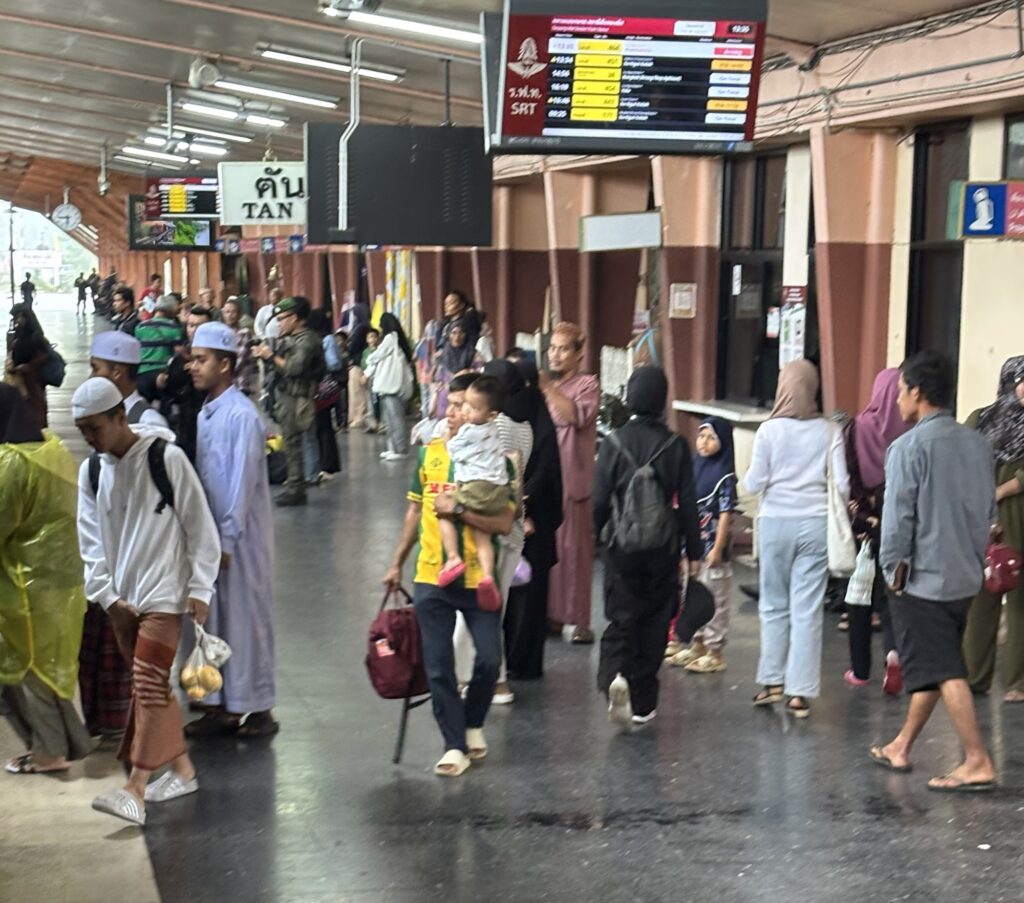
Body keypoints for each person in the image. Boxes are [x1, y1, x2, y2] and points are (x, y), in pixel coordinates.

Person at [72, 377, 220, 826]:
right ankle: (183, 771)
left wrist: (200, 588)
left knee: (149, 683)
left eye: (95, 428)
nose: (89, 439)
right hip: (122, 601)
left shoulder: (166, 459)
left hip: (165, 597)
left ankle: (135, 786)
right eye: (83, 431)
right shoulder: (92, 471)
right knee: (149, 688)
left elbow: (200, 525)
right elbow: (89, 539)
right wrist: (108, 598)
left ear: (120, 417)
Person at [871, 351, 998, 792]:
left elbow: (897, 520)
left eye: (901, 390)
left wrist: (890, 570)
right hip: (965, 574)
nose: (898, 399)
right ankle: (901, 745)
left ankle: (978, 759)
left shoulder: (907, 448)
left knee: (945, 668)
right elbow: (988, 512)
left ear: (918, 393)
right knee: (935, 660)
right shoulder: (978, 443)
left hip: (923, 578)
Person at [383, 377, 515, 777]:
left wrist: (458, 513)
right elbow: (413, 512)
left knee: (489, 662)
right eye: (452, 405)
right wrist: (396, 562)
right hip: (432, 576)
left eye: (464, 406)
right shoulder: (429, 456)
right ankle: (454, 743)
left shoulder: (498, 460)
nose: (456, 413)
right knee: (438, 665)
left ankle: (473, 721)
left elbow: (506, 522)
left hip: (480, 581)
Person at [593, 367, 702, 729]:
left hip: (621, 547)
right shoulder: (677, 445)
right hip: (663, 547)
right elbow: (688, 502)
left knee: (622, 615)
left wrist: (601, 536)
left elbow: (598, 501)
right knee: (656, 620)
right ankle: (642, 702)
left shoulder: (612, 443)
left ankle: (614, 677)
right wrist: (695, 553)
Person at [743, 360, 849, 719]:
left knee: (773, 604)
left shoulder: (768, 431)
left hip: (775, 524)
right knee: (807, 609)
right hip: (816, 524)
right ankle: (799, 694)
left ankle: (771, 683)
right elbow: (844, 484)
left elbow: (754, 484)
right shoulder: (830, 430)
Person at [186, 323, 278, 738]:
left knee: (246, 619)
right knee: (214, 622)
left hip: (240, 539)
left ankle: (258, 708)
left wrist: (224, 541)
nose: (193, 367)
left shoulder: (241, 416)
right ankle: (217, 704)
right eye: (193, 358)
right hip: (213, 537)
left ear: (226, 364)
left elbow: (239, 488)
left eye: (202, 360)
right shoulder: (208, 410)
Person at [1, 385, 92, 775]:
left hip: (25, 584)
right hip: (61, 581)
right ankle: (62, 744)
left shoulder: (11, 463)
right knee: (46, 674)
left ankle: (49, 753)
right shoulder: (51, 447)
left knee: (27, 674)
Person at [842, 368, 910, 690]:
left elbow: (849, 475)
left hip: (864, 519)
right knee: (892, 591)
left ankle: (860, 670)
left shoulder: (856, 427)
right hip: (900, 519)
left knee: (860, 592)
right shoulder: (911, 427)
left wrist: (859, 510)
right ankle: (894, 653)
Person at [963, 355, 1024, 703]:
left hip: (1018, 515)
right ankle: (974, 676)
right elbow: (963, 464)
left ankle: (1017, 682)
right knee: (981, 596)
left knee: (1019, 600)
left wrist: (1004, 490)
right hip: (982, 517)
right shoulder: (980, 419)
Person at [502, 356, 563, 681]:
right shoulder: (532, 419)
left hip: (529, 523)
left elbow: (546, 471)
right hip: (522, 519)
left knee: (524, 594)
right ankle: (516, 659)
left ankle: (519, 660)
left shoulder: (525, 422)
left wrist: (523, 501)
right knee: (520, 594)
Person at [542, 322, 600, 644]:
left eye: (564, 348)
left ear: (579, 354)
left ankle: (578, 619)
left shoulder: (587, 385)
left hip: (572, 480)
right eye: (552, 347)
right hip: (547, 477)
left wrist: (549, 389)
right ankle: (550, 614)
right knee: (549, 549)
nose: (556, 354)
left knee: (574, 550)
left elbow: (576, 417)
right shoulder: (546, 387)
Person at [669, 416, 737, 674]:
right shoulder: (696, 468)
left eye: (711, 437)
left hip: (711, 549)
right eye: (701, 436)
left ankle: (715, 650)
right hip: (693, 549)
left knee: (715, 597)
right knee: (692, 594)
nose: (704, 442)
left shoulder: (725, 476)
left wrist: (718, 548)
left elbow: (726, 514)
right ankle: (696, 643)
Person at [438, 374, 510, 612]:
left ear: (491, 414)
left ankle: (452, 558)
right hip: (497, 491)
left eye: (469, 407)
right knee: (483, 534)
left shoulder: (470, 431)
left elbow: (454, 452)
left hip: (476, 487)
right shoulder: (494, 430)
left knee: (443, 510)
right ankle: (487, 576)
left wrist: (449, 439)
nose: (465, 412)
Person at [254, 297, 325, 507]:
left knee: (294, 443)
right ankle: (295, 485)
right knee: (290, 441)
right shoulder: (293, 338)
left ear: (295, 318)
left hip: (298, 397)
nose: (279, 324)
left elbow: (294, 368)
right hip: (287, 395)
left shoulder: (307, 340)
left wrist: (270, 356)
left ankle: (296, 488)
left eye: (282, 319)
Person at [162, 305, 213, 462]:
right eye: (191, 325)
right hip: (184, 422)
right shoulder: (180, 357)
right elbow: (169, 391)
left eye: (200, 326)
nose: (194, 330)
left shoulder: (217, 358)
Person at [365, 313, 413, 462]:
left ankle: (400, 449)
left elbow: (378, 355)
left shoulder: (390, 338)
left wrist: (369, 358)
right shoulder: (397, 339)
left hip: (391, 386)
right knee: (391, 419)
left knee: (395, 419)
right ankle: (393, 448)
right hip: (392, 385)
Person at [5, 303, 49, 432]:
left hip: (32, 378)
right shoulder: (19, 333)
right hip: (20, 377)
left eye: (18, 317)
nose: (16, 321)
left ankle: (38, 431)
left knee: (36, 405)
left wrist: (27, 366)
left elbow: (43, 356)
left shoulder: (35, 335)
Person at [307, 309, 341, 477]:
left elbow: (334, 363)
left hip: (321, 387)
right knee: (323, 426)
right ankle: (326, 463)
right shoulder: (326, 338)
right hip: (325, 388)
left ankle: (326, 464)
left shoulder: (323, 339)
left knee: (323, 426)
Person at [135, 295, 185, 402]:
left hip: (142, 374)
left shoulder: (140, 327)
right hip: (162, 374)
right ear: (170, 310)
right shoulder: (173, 327)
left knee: (143, 408)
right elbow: (178, 353)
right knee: (164, 408)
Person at [222, 297, 259, 401]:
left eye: (233, 312)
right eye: (227, 312)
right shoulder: (222, 333)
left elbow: (238, 360)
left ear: (239, 314)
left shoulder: (244, 334)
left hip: (241, 383)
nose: (230, 315)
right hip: (225, 385)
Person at [357, 328, 382, 432]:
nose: (372, 339)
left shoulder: (380, 350)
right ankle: (373, 424)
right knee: (370, 402)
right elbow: (363, 364)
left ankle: (379, 423)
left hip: (379, 379)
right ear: (367, 340)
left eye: (374, 336)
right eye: (370, 337)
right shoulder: (365, 352)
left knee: (378, 402)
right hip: (369, 380)